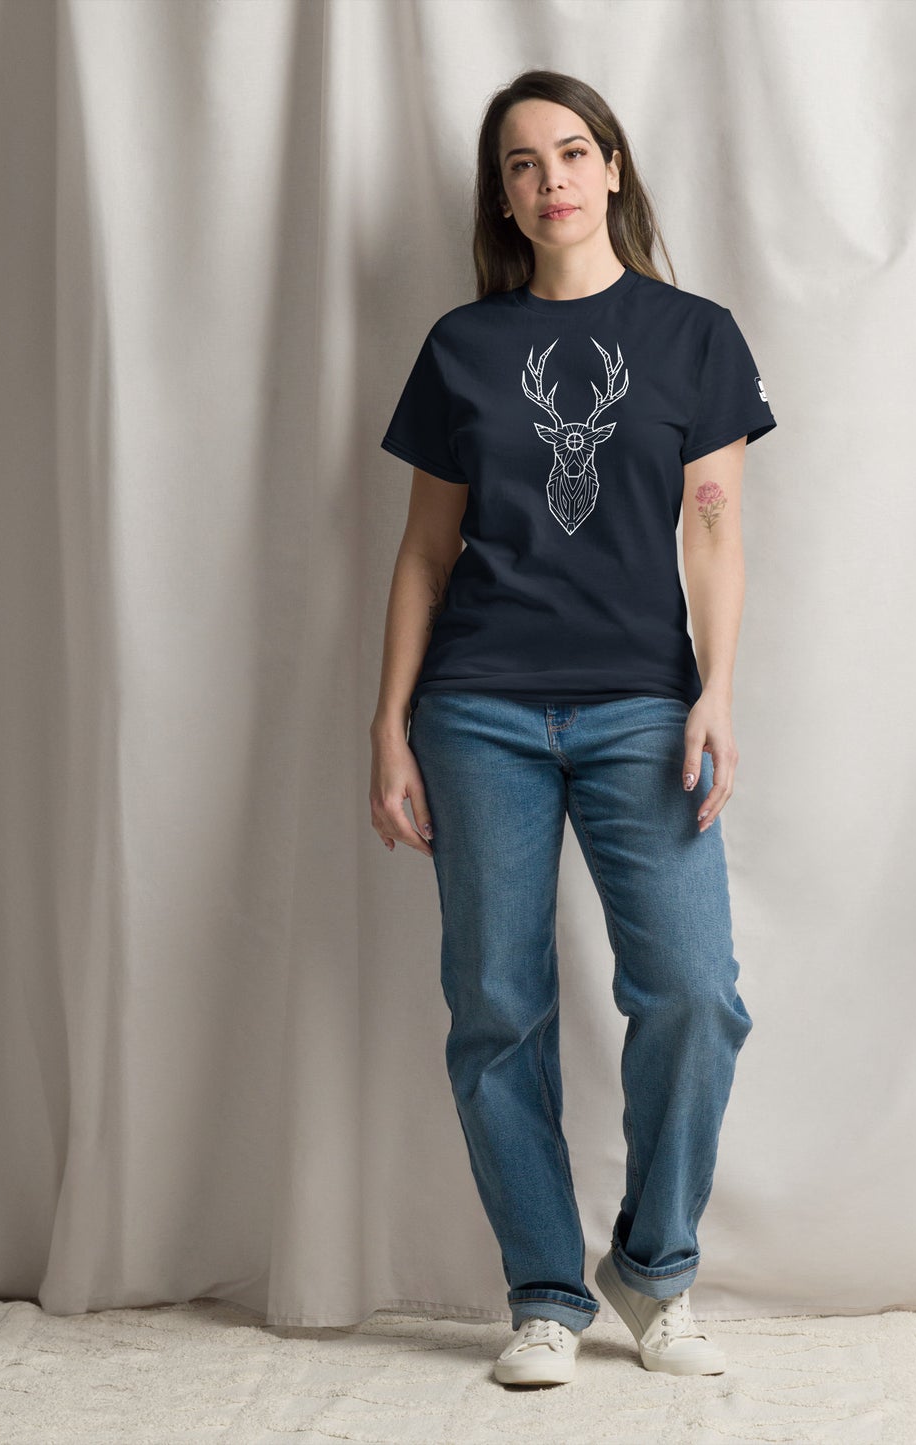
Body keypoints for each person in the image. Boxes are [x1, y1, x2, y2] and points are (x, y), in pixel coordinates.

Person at [368, 69, 776, 1389]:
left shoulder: (694, 336)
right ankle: (544, 1288)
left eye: (570, 152)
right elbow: (426, 551)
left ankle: (649, 1268)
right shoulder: (462, 347)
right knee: (494, 1004)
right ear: (504, 197)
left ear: (612, 168)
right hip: (475, 708)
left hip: (641, 707)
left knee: (694, 998)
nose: (549, 180)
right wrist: (388, 727)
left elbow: (710, 525)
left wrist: (715, 687)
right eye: (519, 165)